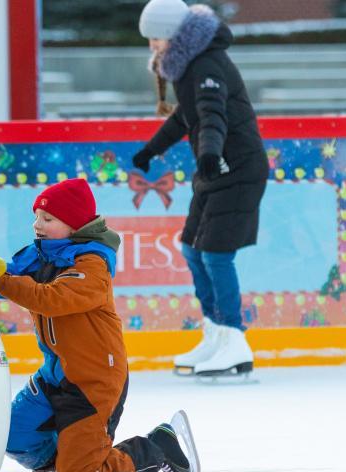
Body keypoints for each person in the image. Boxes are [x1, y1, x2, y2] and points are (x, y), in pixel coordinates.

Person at [0, 178, 196, 472]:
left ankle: (157, 446)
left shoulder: (92, 265)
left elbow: (50, 298)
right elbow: (4, 276)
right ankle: (63, 463)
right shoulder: (41, 257)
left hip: (94, 381)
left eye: (48, 219)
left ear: (74, 226)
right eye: (36, 217)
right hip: (56, 375)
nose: (37, 225)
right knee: (10, 433)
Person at [132, 0, 268, 376]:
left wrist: (208, 152)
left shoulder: (207, 63)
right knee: (192, 249)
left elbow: (212, 114)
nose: (153, 46)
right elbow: (185, 116)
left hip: (237, 169)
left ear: (175, 36)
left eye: (157, 37)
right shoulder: (188, 65)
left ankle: (234, 340)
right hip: (215, 170)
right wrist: (151, 150)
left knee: (216, 255)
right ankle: (215, 333)